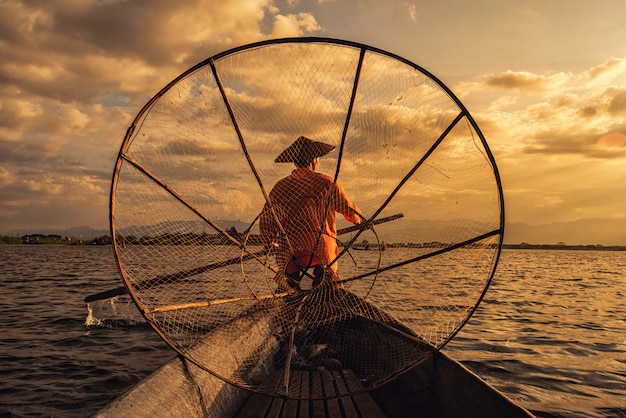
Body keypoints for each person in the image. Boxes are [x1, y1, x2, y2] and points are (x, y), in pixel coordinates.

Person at [260, 136, 362, 290]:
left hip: (291, 257)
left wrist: (269, 245)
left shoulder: (279, 188)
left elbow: (267, 223)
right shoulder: (327, 183)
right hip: (323, 256)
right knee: (330, 289)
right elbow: (349, 211)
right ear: (314, 160)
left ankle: (292, 296)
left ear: (295, 162)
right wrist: (360, 221)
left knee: (292, 291)